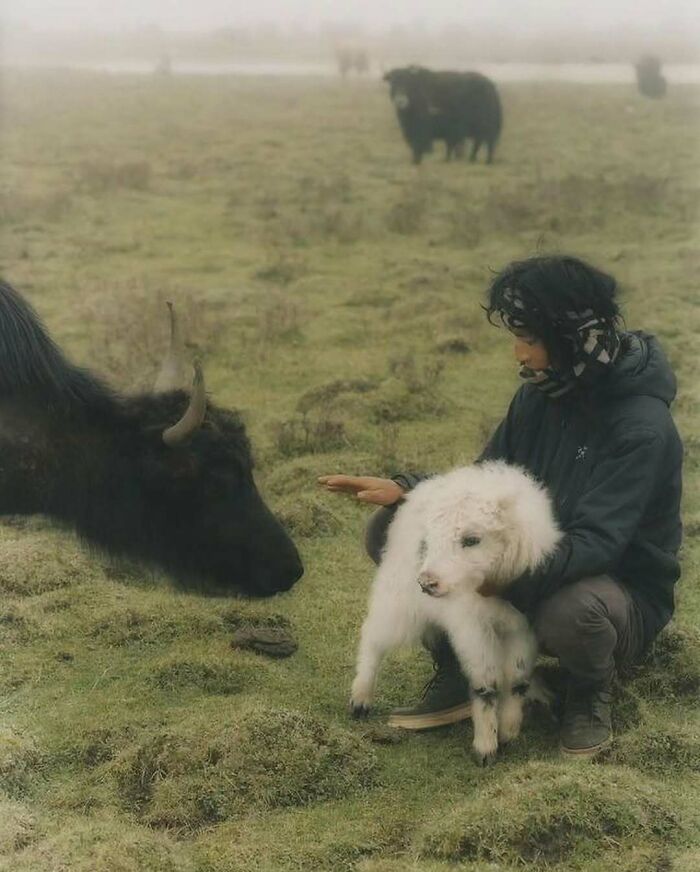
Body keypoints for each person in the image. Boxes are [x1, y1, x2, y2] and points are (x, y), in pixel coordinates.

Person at [319, 255, 683, 757]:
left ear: (572, 338)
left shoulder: (641, 428)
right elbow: (480, 483)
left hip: (612, 591)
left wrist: (501, 576)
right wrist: (407, 491)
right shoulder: (539, 394)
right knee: (394, 530)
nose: (519, 353)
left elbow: (598, 544)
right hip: (529, 562)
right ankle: (458, 666)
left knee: (569, 610)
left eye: (529, 339)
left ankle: (589, 691)